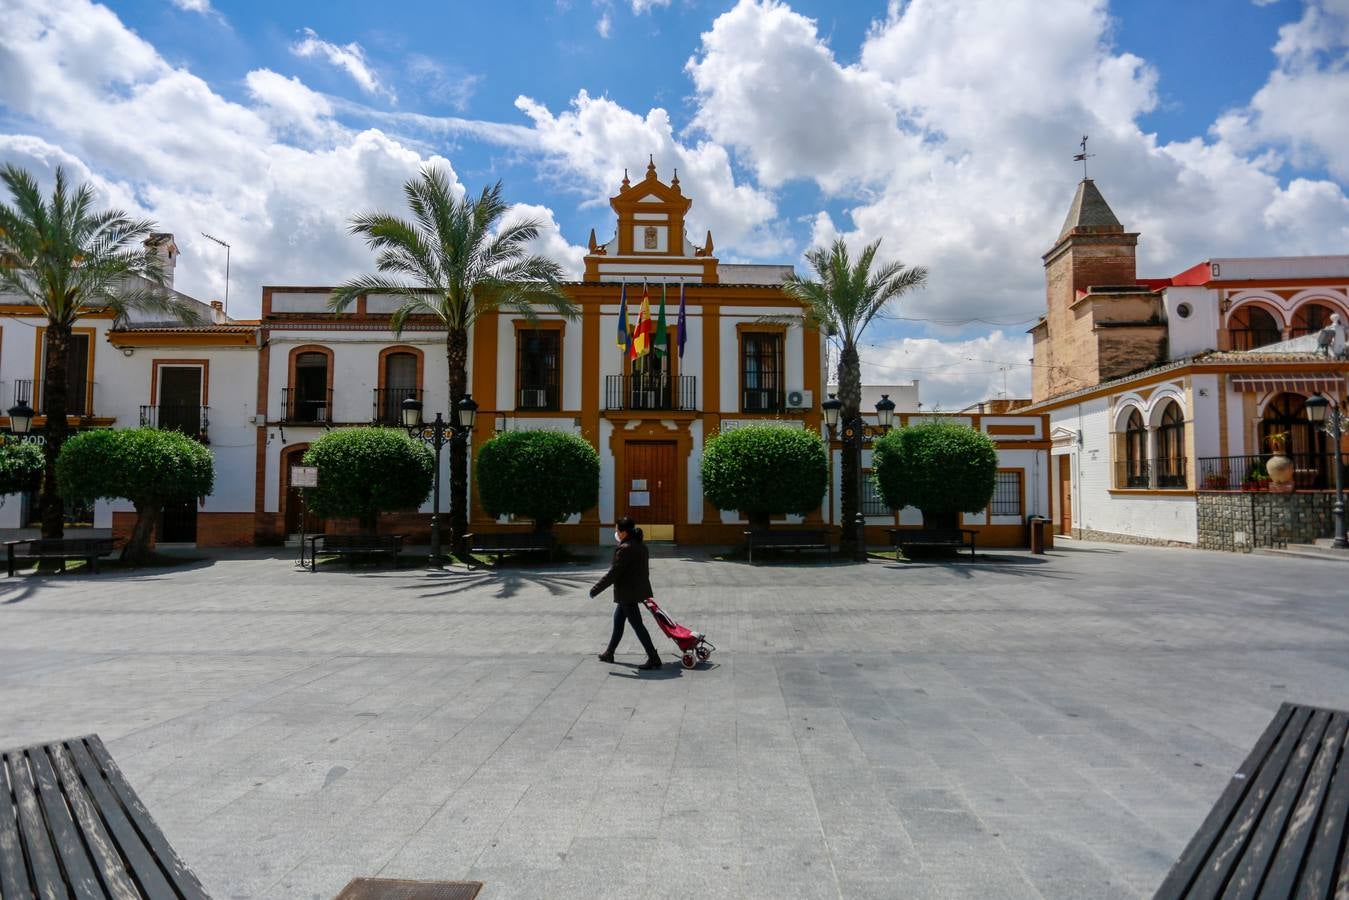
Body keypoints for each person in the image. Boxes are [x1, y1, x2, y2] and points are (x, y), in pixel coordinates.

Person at [590, 516, 663, 670]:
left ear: (623, 532)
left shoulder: (625, 549)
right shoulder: (641, 546)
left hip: (627, 593)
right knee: (618, 622)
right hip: (635, 591)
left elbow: (613, 574)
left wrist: (595, 589)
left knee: (637, 625)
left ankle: (653, 656)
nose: (616, 532)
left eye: (617, 529)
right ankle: (609, 653)